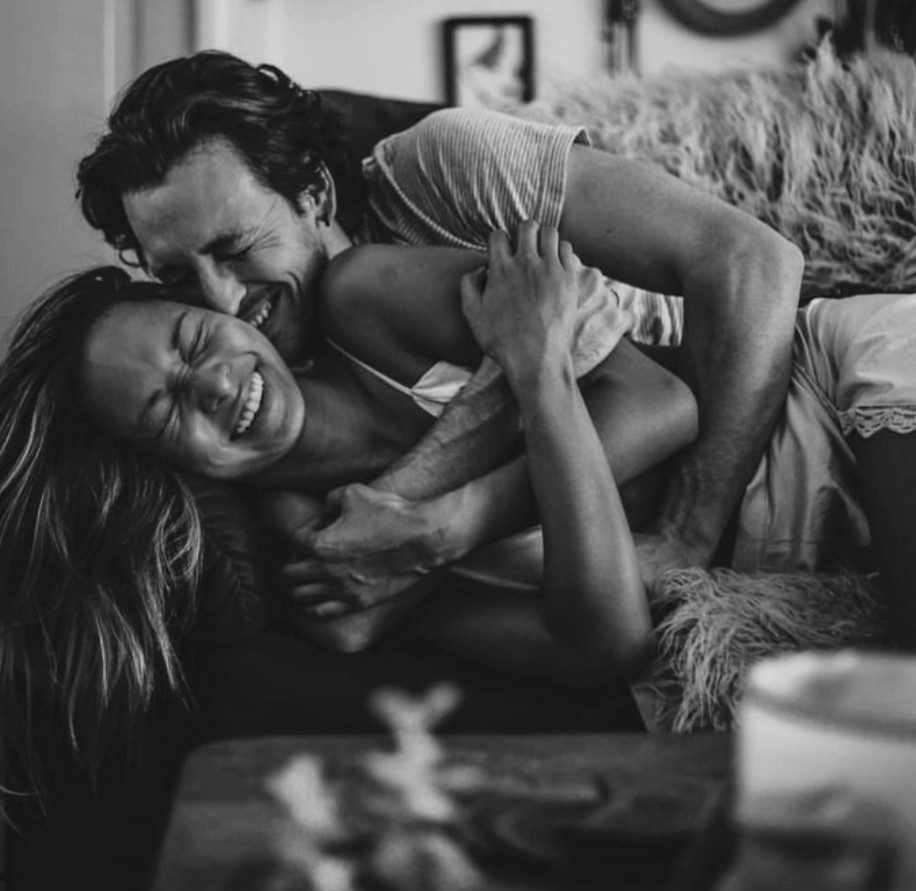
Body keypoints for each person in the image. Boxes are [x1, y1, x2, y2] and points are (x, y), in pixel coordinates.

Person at [74, 50, 805, 607]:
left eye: (236, 247)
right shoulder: (258, 396)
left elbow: (753, 262)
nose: (222, 301)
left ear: (314, 193)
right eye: (179, 278)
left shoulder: (441, 168)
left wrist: (687, 535)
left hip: (791, 398)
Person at [0, 228, 697, 803]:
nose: (213, 384)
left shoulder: (365, 297)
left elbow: (665, 399)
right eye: (166, 411)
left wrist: (449, 522)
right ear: (171, 469)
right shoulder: (322, 557)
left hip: (759, 421)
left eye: (193, 338)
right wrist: (535, 370)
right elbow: (604, 645)